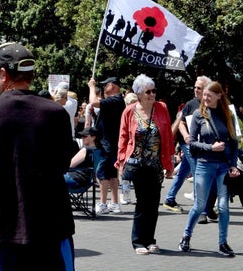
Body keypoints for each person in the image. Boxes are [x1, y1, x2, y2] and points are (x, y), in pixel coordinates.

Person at [0, 42, 77, 270]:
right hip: (51, 223)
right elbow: (63, 162)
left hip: (2, 224)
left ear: (2, 73)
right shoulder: (55, 113)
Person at [179, 81, 239, 258]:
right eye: (204, 95)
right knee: (199, 205)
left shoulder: (229, 115)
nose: (205, 98)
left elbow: (235, 143)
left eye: (209, 95)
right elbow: (192, 143)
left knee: (223, 206)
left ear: (219, 96)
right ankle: (186, 236)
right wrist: (210, 148)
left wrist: (233, 164)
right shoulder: (198, 114)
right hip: (204, 164)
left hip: (223, 166)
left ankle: (223, 242)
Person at [116, 74, 173, 255]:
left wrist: (170, 162)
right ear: (139, 94)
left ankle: (150, 240)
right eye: (148, 91)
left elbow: (168, 137)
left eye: (154, 91)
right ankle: (138, 241)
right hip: (137, 163)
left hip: (156, 163)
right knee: (142, 202)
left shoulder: (162, 108)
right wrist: (120, 162)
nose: (152, 94)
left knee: (153, 203)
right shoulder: (129, 111)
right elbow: (123, 138)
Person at [163, 76, 213, 214]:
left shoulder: (211, 103)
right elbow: (181, 123)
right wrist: (186, 136)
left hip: (201, 144)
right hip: (189, 144)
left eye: (199, 88)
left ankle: (169, 199)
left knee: (183, 171)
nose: (196, 90)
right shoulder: (191, 104)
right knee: (198, 171)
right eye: (195, 87)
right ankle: (200, 205)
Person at [87, 76, 126, 214]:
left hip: (108, 143)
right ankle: (114, 203)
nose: (103, 88)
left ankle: (103, 203)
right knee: (111, 174)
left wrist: (92, 87)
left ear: (114, 86)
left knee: (102, 173)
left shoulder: (115, 100)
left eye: (106, 85)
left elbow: (94, 101)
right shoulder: (115, 101)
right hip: (109, 142)